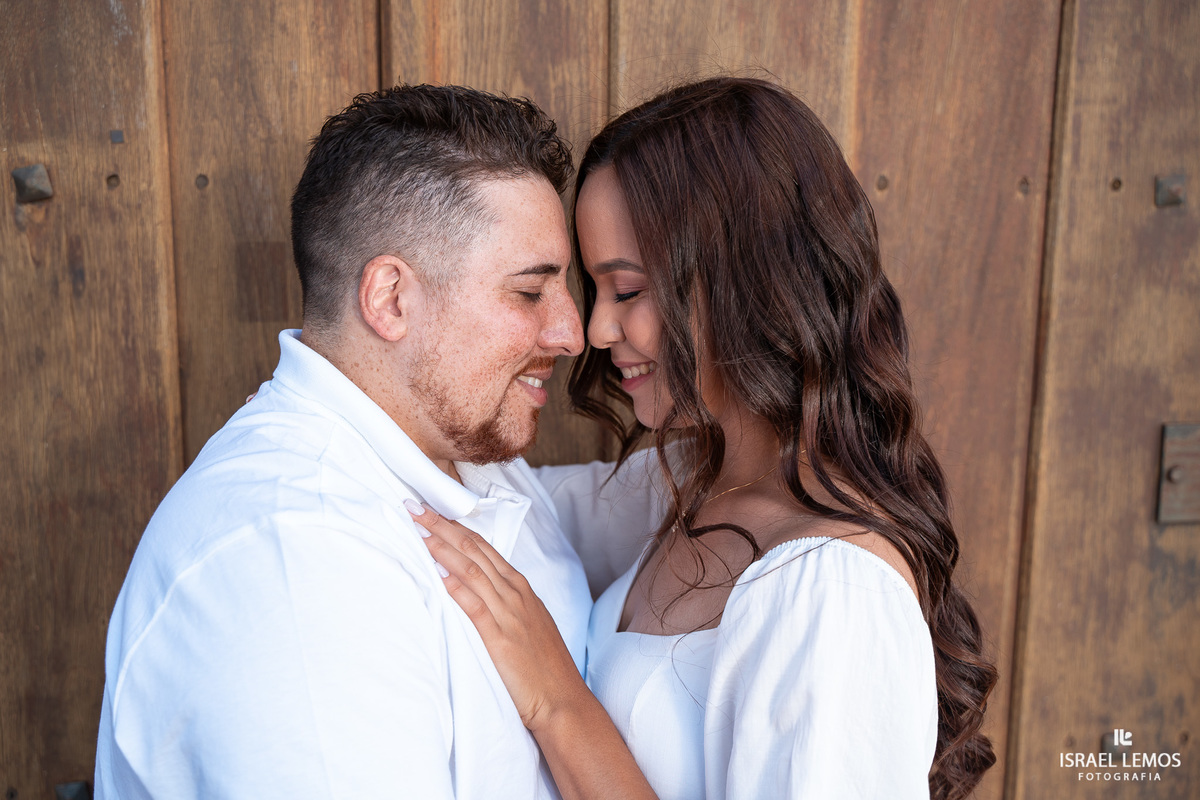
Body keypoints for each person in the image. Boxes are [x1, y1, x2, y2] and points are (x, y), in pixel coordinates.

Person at [413, 76, 998, 800]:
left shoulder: (833, 590)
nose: (594, 332)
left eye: (626, 291)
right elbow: (488, 499)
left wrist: (557, 703)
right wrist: (340, 407)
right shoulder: (683, 482)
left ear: (746, 282)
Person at [94, 84, 595, 799]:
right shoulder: (294, 566)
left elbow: (639, 502)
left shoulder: (453, 452)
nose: (571, 333)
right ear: (391, 298)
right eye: (528, 292)